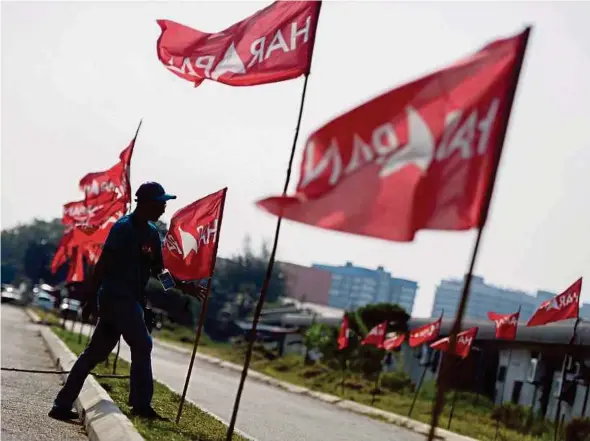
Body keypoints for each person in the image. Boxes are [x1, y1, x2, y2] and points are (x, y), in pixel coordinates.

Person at [49, 182, 206, 421]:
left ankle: (61, 405)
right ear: (144, 203)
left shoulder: (152, 233)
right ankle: (141, 405)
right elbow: (101, 265)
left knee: (95, 354)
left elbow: (158, 269)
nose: (164, 207)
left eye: (165, 202)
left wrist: (184, 287)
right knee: (142, 344)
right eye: (160, 202)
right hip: (115, 297)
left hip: (130, 300)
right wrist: (90, 300)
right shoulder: (123, 228)